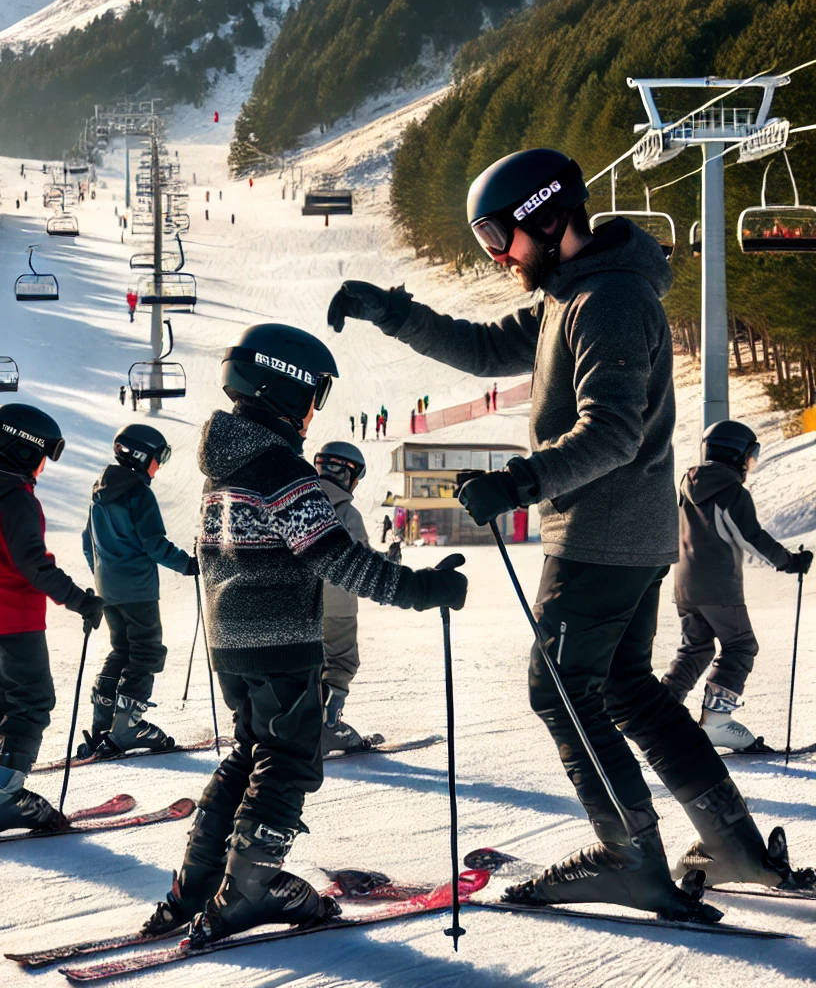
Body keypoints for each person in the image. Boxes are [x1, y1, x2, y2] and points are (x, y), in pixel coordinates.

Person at [327, 147, 814, 915]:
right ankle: (732, 845)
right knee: (627, 690)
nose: (493, 255)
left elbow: (613, 431)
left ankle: (629, 856)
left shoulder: (608, 302)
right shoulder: (573, 293)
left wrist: (519, 481)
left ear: (549, 217)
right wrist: (392, 312)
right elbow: (485, 348)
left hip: (600, 535)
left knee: (557, 692)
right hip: (623, 535)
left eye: (498, 235)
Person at [141, 323, 467, 947]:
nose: (314, 411)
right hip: (279, 639)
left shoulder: (226, 460)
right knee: (289, 760)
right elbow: (336, 556)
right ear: (284, 387)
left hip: (233, 639)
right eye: (313, 395)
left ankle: (198, 885)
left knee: (251, 752)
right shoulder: (277, 464)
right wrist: (423, 589)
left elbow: (213, 553)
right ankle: (251, 890)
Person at [0, 404, 104, 842]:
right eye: (43, 454)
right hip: (13, 619)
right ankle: (2, 798)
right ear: (26, 450)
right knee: (32, 701)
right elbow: (33, 564)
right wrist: (81, 600)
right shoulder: (16, 499)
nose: (44, 465)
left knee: (1, 702)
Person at [662, 420, 812, 752]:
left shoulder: (689, 485)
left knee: (695, 649)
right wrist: (789, 561)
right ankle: (716, 722)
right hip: (718, 587)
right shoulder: (730, 491)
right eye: (748, 456)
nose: (749, 464)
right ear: (733, 453)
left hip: (685, 585)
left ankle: (658, 715)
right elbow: (750, 537)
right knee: (741, 645)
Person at [79, 424, 197, 757]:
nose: (160, 465)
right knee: (145, 651)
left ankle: (104, 721)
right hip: (138, 590)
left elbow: (88, 544)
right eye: (160, 457)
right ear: (143, 455)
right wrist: (189, 564)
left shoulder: (99, 492)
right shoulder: (138, 493)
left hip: (110, 590)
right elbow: (154, 544)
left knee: (122, 649)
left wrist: (105, 576)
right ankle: (128, 725)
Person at [314, 441, 372, 754]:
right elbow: (362, 562)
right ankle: (329, 725)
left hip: (304, 606)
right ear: (347, 475)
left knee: (310, 663)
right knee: (340, 661)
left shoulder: (302, 505)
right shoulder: (348, 513)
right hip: (339, 606)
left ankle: (304, 725)